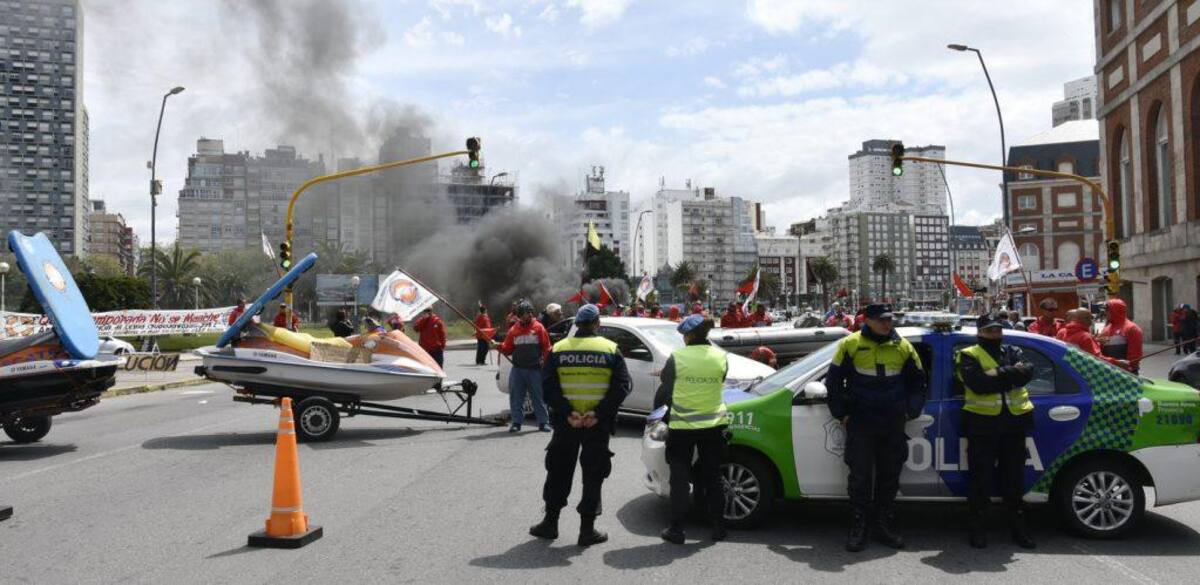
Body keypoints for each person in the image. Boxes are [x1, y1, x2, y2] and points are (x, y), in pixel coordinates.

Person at [826, 304, 926, 552]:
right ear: (867, 321)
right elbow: (833, 381)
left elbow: (918, 382)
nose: (886, 324)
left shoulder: (903, 346)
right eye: (881, 320)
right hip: (861, 422)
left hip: (892, 422)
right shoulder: (850, 344)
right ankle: (859, 526)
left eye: (889, 320)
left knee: (889, 475)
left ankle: (884, 524)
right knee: (859, 477)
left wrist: (910, 410)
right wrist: (842, 413)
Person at [529, 304, 631, 547]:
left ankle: (550, 524)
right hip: (597, 425)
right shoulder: (610, 349)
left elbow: (548, 388)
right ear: (597, 324)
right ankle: (587, 531)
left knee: (558, 472)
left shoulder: (559, 349)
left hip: (567, 424)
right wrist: (597, 413)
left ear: (577, 325)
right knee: (593, 474)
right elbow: (622, 387)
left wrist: (568, 413)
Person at [955, 313, 1037, 549]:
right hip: (982, 425)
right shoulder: (969, 354)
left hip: (1014, 424)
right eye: (990, 330)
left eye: (998, 330)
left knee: (1014, 480)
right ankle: (978, 529)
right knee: (980, 480)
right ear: (980, 332)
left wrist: (997, 374)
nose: (995, 334)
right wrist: (1011, 373)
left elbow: (1028, 373)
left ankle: (1018, 529)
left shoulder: (1013, 350)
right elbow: (978, 385)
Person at [655, 315, 730, 544]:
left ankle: (677, 530)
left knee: (679, 478)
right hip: (713, 426)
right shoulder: (721, 356)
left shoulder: (677, 357)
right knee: (713, 477)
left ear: (688, 336)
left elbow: (666, 391)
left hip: (682, 426)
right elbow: (721, 380)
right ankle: (718, 527)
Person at [499, 301, 552, 432]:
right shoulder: (513, 330)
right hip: (518, 369)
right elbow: (507, 349)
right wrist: (498, 346)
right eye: (520, 315)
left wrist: (544, 364)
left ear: (530, 313)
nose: (522, 317)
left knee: (538, 397)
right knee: (516, 397)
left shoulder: (539, 328)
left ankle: (543, 422)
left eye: (525, 314)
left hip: (535, 370)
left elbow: (547, 348)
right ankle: (516, 422)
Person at [1057, 309, 1125, 368]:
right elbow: (1096, 359)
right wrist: (1117, 363)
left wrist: (1095, 340)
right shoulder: (1085, 337)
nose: (1092, 321)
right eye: (1090, 318)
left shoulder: (1061, 332)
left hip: (1066, 370)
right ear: (1085, 319)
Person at [1098, 299, 1143, 374]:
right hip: (1109, 370)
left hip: (1126, 372)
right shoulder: (1106, 329)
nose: (1105, 313)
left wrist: (1128, 367)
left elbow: (1135, 354)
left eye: (1107, 310)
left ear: (1115, 311)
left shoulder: (1131, 328)